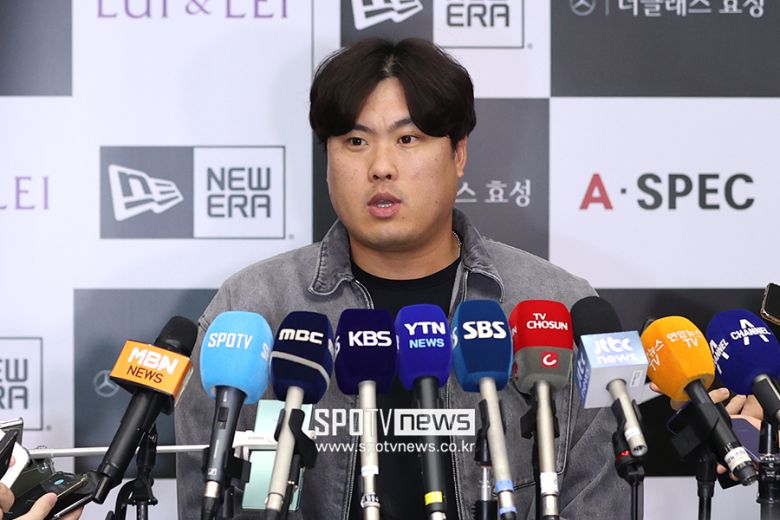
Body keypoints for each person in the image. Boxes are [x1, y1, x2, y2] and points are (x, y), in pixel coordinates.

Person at [175, 37, 629, 519]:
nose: (381, 167)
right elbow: (210, 503)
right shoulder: (252, 308)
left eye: (407, 139)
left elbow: (597, 501)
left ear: (458, 153)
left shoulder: (555, 307)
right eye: (355, 141)